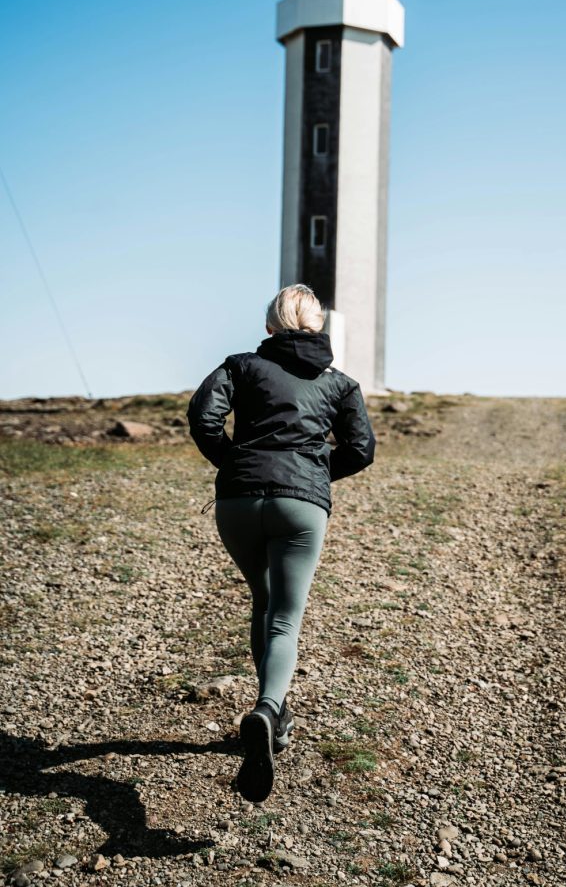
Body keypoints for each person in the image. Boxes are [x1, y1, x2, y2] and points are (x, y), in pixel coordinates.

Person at [186, 283, 376, 803]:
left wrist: (235, 462)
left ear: (271, 325)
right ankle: (270, 709)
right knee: (286, 617)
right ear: (317, 325)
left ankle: (275, 712)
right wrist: (312, 476)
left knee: (263, 603)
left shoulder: (241, 365)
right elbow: (361, 449)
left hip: (239, 502)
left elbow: (202, 417)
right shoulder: (341, 384)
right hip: (301, 507)